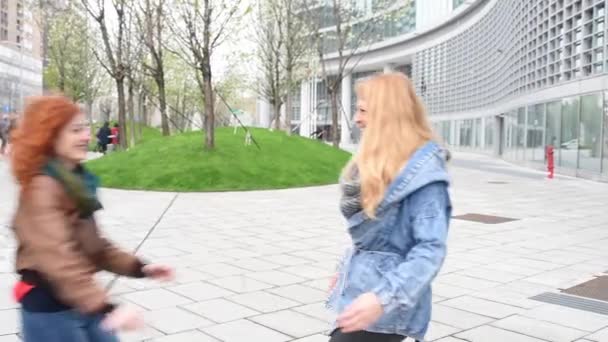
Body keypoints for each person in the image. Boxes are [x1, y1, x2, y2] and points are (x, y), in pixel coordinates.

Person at [9, 96, 175, 342]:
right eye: (75, 130)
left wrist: (141, 267)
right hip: (51, 311)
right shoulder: (40, 189)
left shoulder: (74, 182)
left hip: (81, 300)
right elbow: (58, 258)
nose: (86, 136)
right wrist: (108, 308)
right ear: (50, 136)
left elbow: (95, 246)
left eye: (85, 127)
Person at [326, 73, 451, 342]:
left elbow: (430, 250)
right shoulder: (378, 164)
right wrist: (345, 270)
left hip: (386, 308)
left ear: (387, 115)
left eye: (362, 110)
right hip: (362, 294)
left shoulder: (424, 176)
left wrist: (381, 299)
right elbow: (374, 238)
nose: (357, 119)